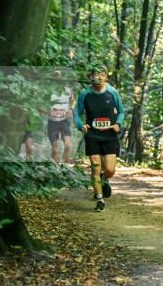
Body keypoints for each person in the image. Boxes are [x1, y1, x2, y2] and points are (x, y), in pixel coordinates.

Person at [74, 64, 124, 211]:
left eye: (102, 74)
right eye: (96, 74)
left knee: (110, 169)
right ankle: (99, 200)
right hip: (92, 135)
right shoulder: (85, 94)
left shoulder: (112, 92)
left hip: (109, 135)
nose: (100, 77)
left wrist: (118, 124)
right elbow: (76, 112)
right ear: (91, 77)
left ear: (106, 77)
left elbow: (121, 111)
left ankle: (105, 178)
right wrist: (80, 125)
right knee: (95, 167)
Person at [47, 83, 74, 164]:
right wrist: (47, 111)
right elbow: (38, 105)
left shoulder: (68, 90)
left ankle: (66, 167)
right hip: (52, 122)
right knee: (55, 150)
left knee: (68, 146)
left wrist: (70, 110)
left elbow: (73, 101)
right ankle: (55, 170)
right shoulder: (47, 89)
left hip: (64, 121)